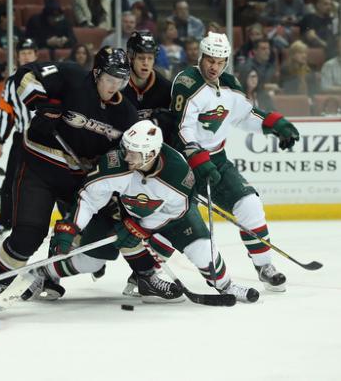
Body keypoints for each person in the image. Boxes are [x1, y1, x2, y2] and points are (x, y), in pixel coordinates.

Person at [26, 121, 259, 303]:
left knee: (203, 252)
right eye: (126, 150)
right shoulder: (117, 164)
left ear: (151, 154)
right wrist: (73, 227)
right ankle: (43, 271)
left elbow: (177, 209)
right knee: (91, 260)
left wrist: (142, 228)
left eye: (133, 153)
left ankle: (225, 285)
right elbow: (89, 199)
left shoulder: (176, 172)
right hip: (127, 214)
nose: (126, 157)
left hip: (172, 217)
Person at [0, 46, 139, 302]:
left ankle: (49, 276)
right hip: (39, 167)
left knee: (85, 233)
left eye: (121, 79)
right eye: (110, 78)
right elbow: (24, 75)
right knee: (28, 233)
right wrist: (41, 105)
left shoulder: (126, 114)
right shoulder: (71, 76)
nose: (115, 86)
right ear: (96, 73)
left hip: (80, 181)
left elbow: (126, 157)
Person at [168, 32, 300, 292]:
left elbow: (245, 115)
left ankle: (264, 266)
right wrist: (196, 156)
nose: (214, 66)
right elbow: (182, 127)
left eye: (220, 61)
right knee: (175, 219)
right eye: (209, 60)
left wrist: (275, 125)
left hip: (216, 160)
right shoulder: (187, 82)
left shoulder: (229, 84)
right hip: (181, 162)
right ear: (200, 57)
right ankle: (144, 274)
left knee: (249, 203)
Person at [0, 38, 39, 236]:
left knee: (57, 177)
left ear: (36, 54)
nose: (26, 56)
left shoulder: (46, 76)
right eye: (23, 53)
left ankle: (68, 216)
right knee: (11, 179)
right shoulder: (11, 82)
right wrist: (1, 140)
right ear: (18, 57)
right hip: (21, 137)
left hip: (46, 136)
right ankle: (5, 220)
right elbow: (6, 112)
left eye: (29, 52)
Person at [122, 31, 173, 141]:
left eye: (150, 58)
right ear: (130, 58)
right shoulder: (118, 86)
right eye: (141, 58)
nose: (146, 63)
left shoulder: (166, 88)